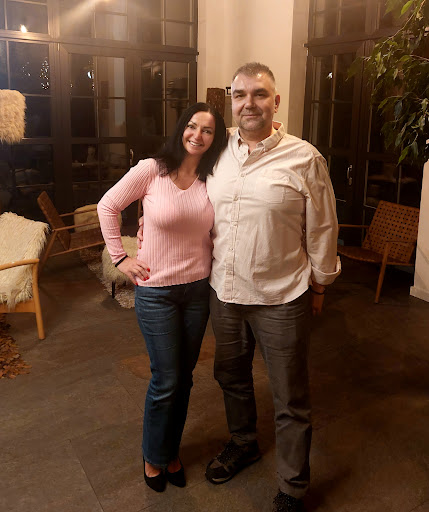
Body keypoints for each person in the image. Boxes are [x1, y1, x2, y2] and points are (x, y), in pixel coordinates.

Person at [203, 63, 341, 512]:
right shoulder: (216, 150)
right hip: (224, 292)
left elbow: (323, 228)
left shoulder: (305, 158)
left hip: (281, 297)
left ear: (275, 102)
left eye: (259, 94)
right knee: (231, 377)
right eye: (240, 95)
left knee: (290, 396)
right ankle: (243, 442)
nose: (249, 103)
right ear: (231, 101)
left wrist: (320, 285)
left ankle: (293, 487)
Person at [97, 102, 227, 493]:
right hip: (157, 293)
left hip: (198, 289)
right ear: (181, 128)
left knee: (184, 378)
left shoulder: (213, 178)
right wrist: (120, 258)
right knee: (167, 378)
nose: (198, 135)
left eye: (207, 130)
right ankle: (153, 456)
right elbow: (108, 205)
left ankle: (171, 452)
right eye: (192, 126)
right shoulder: (152, 169)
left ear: (215, 138)